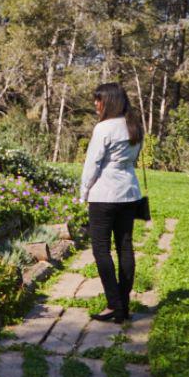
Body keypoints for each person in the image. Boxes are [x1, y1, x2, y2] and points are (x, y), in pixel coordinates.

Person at [78, 82, 144, 323]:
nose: (96, 104)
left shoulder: (104, 128)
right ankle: (122, 305)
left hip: (104, 194)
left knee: (100, 249)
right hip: (129, 193)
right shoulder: (134, 126)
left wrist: (83, 192)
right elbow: (134, 158)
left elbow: (92, 164)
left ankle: (114, 303)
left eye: (99, 100)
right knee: (125, 247)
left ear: (110, 101)